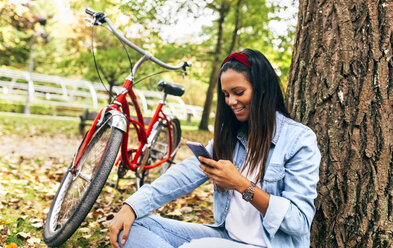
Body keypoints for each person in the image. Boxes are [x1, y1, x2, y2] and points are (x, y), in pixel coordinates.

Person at [109, 49, 321, 248]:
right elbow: (184, 175)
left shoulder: (298, 140)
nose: (231, 101)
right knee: (130, 228)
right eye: (226, 94)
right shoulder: (231, 136)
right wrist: (132, 205)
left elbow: (299, 222)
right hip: (226, 238)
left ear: (262, 88)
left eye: (238, 92)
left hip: (267, 244)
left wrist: (242, 185)